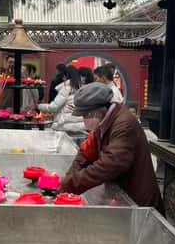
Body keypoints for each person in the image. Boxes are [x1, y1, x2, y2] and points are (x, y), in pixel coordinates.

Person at [60, 83, 164, 213]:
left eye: (85, 115)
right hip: (121, 195)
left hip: (139, 202)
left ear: (96, 111)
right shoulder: (103, 122)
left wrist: (71, 184)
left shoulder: (124, 125)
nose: (84, 120)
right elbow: (85, 153)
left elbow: (110, 164)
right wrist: (68, 179)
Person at [38, 64, 85, 139]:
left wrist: (39, 106)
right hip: (79, 126)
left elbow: (53, 107)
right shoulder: (82, 89)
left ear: (65, 76)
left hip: (64, 125)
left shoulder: (66, 88)